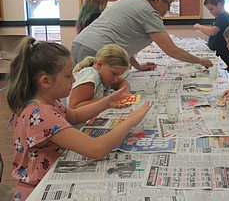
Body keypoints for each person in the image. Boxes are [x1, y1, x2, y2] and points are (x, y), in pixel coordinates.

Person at [6, 37, 152, 200]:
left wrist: (108, 101)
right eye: (68, 76)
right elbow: (97, 150)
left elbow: (74, 116)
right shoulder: (40, 113)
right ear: (46, 81)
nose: (74, 80)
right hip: (37, 192)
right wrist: (131, 121)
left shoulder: (45, 102)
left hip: (44, 182)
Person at [71, 0, 213, 70]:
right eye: (168, 4)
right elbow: (171, 50)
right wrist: (200, 61)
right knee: (89, 98)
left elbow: (122, 39)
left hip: (80, 45)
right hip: (94, 51)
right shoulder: (149, 12)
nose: (168, 9)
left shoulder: (132, 0)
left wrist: (137, 66)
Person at [67, 44, 130, 109]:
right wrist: (109, 100)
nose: (116, 79)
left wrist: (124, 92)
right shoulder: (90, 77)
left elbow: (123, 82)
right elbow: (74, 108)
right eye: (114, 73)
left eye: (119, 75)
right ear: (99, 65)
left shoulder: (104, 75)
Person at [193, 0, 229, 68]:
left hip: (222, 52)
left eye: (211, 9)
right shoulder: (219, 17)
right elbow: (212, 32)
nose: (210, 12)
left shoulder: (224, 17)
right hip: (217, 51)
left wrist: (199, 26)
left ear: (219, 5)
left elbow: (213, 31)